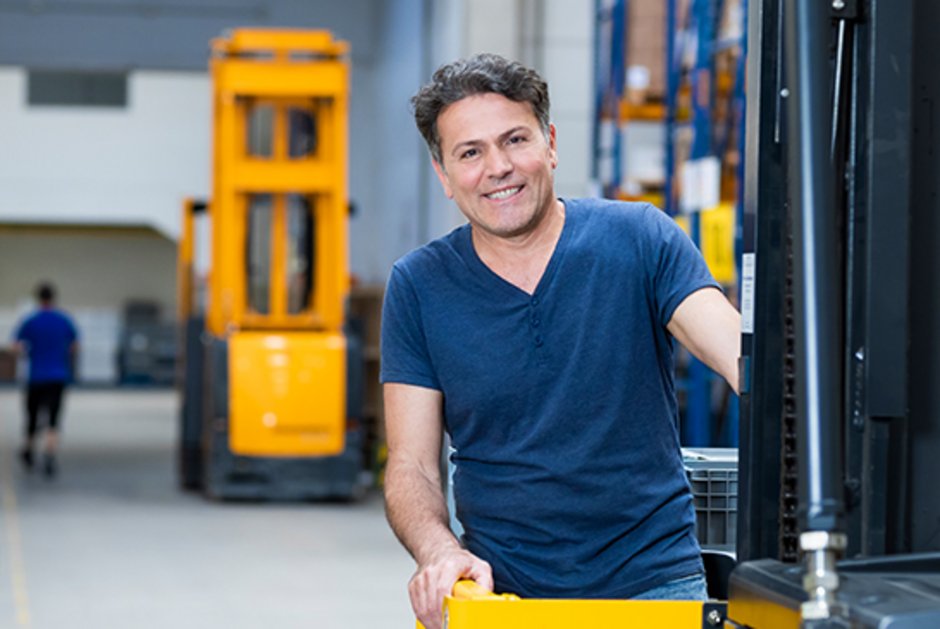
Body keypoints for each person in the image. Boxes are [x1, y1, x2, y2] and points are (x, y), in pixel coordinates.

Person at [380, 53, 741, 629]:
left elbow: (743, 358)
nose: (498, 167)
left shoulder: (640, 239)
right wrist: (440, 552)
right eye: (470, 153)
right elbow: (413, 467)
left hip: (655, 585)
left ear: (549, 144)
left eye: (515, 139)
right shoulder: (419, 286)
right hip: (502, 596)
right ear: (444, 176)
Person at [13, 282, 79, 478]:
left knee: (32, 416)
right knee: (53, 418)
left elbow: (17, 346)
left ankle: (29, 450)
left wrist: (29, 354)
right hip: (57, 376)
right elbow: (75, 346)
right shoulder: (64, 320)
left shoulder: (31, 320)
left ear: (38, 299)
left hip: (36, 376)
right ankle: (50, 455)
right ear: (53, 298)